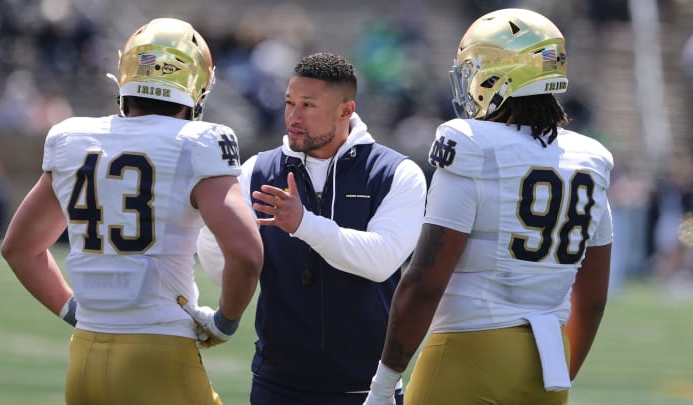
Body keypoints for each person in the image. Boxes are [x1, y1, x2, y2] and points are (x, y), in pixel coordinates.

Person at [0, 17, 263, 405]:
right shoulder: (199, 142)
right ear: (198, 86)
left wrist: (71, 308)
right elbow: (246, 253)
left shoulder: (74, 138)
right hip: (160, 356)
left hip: (85, 358)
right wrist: (224, 322)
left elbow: (20, 248)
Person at [364, 8, 614, 405]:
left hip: (467, 354)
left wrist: (381, 386)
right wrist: (562, 375)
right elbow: (593, 298)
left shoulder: (471, 143)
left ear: (500, 74)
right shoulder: (590, 158)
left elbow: (424, 283)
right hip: (547, 368)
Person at [196, 52, 427, 404]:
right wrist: (215, 230)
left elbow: (382, 260)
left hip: (367, 389)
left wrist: (304, 223)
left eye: (308, 105)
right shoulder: (257, 170)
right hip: (277, 385)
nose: (293, 116)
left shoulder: (396, 172)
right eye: (289, 102)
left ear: (345, 111)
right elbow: (219, 270)